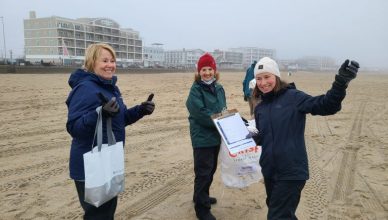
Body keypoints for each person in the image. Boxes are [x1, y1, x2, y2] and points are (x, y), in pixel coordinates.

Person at [251, 57, 359, 219]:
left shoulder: (293, 97)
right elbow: (264, 137)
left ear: (276, 77)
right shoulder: (260, 108)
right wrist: (249, 136)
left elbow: (326, 105)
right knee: (279, 211)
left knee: (277, 216)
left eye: (267, 77)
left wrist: (340, 82)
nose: (263, 82)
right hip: (270, 171)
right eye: (259, 78)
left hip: (291, 171)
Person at [65, 43, 155, 220]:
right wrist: (99, 114)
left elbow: (120, 120)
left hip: (109, 159)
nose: (110, 65)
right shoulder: (85, 88)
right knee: (98, 215)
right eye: (104, 60)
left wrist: (141, 110)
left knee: (107, 212)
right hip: (90, 164)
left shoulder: (110, 87)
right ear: (92, 62)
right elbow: (73, 127)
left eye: (112, 60)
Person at [186, 53, 227, 220]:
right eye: (204, 69)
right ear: (199, 71)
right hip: (202, 137)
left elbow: (223, 109)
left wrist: (229, 120)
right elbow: (200, 113)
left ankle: (200, 196)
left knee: (210, 170)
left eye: (210, 69)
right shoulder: (195, 90)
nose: (207, 72)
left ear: (215, 70)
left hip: (216, 136)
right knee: (203, 172)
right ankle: (202, 209)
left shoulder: (219, 88)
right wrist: (220, 120)